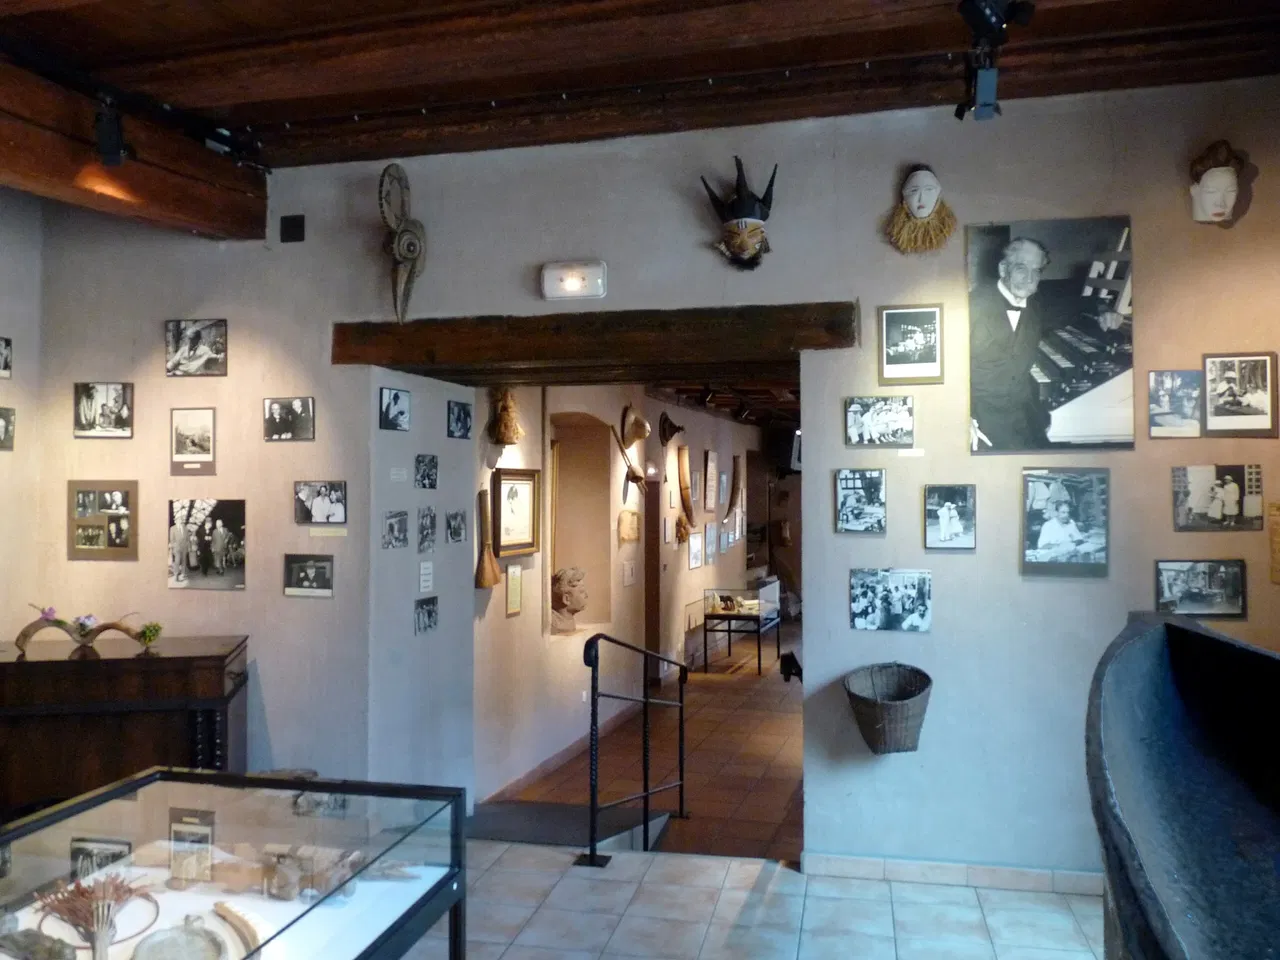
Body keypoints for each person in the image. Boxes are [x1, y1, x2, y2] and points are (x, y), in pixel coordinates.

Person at [969, 238, 1053, 451]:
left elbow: (1072, 307)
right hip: (980, 420)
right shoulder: (970, 305)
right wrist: (961, 418)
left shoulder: (1038, 306)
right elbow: (945, 368)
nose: (1029, 279)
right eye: (1021, 268)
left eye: (1036, 271)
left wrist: (1102, 309)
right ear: (1003, 268)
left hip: (1025, 417)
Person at [169, 518, 188, 583]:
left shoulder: (185, 528)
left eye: (180, 520)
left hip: (184, 547)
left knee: (184, 561)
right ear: (176, 521)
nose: (180, 521)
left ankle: (183, 574)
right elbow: (172, 539)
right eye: (178, 520)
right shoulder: (172, 528)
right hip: (177, 548)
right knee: (177, 561)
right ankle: (176, 575)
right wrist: (175, 546)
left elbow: (187, 538)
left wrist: (187, 545)